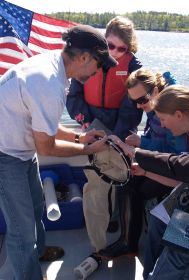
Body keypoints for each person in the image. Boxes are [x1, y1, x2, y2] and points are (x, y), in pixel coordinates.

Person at [0, 25, 118, 280]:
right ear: (84, 57)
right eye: (98, 65)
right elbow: (47, 147)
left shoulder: (56, 66)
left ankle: (39, 251)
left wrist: (80, 136)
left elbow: (47, 125)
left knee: (35, 206)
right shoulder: (48, 82)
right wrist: (88, 149)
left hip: (20, 149)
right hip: (5, 156)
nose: (98, 71)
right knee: (22, 232)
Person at [66, 16, 143, 254]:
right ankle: (98, 244)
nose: (116, 52)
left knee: (121, 182)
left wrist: (116, 138)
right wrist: (89, 125)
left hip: (121, 129)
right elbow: (74, 98)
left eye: (123, 48)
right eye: (110, 46)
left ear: (129, 48)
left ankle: (118, 225)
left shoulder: (134, 67)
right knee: (96, 185)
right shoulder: (88, 60)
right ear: (103, 42)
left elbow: (132, 107)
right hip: (93, 126)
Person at [116, 91, 189, 280]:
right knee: (159, 221)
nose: (162, 124)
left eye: (163, 119)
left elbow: (188, 169)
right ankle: (149, 274)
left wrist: (136, 152)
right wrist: (146, 172)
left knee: (175, 255)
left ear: (178, 115)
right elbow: (187, 176)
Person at [98, 70, 188, 259]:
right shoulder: (154, 104)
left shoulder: (170, 108)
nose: (139, 106)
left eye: (142, 100)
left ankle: (128, 242)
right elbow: (155, 135)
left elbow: (177, 154)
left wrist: (142, 144)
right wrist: (140, 140)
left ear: (155, 90)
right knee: (125, 178)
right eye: (134, 102)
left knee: (132, 187)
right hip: (158, 161)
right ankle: (127, 239)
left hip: (173, 170)